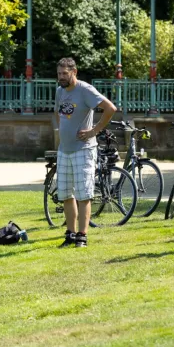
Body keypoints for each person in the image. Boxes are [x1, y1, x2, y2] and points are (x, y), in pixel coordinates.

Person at [54, 57, 117, 248]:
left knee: (83, 194)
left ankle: (82, 236)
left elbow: (110, 108)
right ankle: (70, 234)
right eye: (59, 74)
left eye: (65, 73)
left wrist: (93, 131)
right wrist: (60, 132)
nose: (61, 77)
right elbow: (58, 113)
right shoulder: (60, 91)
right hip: (64, 150)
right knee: (65, 194)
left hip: (84, 150)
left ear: (74, 72)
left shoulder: (85, 90)